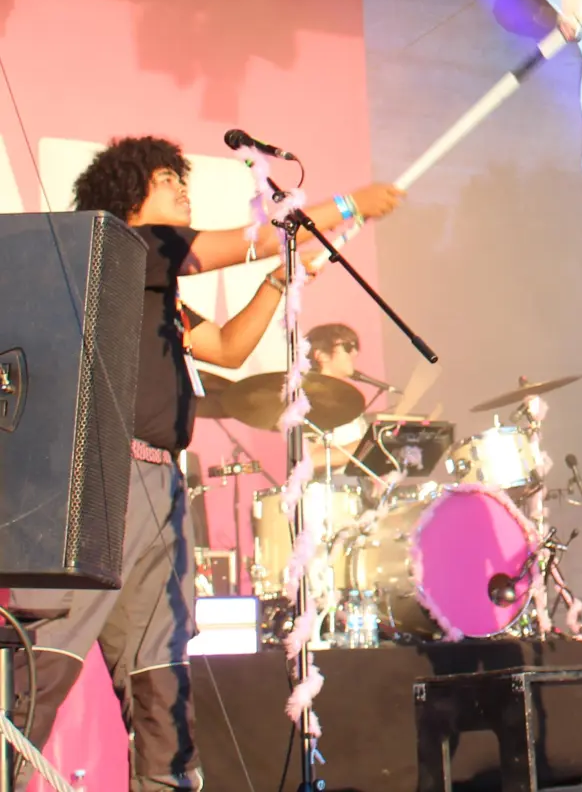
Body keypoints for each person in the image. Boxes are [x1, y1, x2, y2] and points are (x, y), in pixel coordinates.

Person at [8, 135, 401, 790]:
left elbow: (226, 345)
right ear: (126, 200)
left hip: (160, 486)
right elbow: (229, 245)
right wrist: (343, 206)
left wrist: (286, 275)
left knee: (160, 674)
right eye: (168, 180)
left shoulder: (154, 292)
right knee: (43, 666)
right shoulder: (121, 248)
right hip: (99, 487)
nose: (183, 190)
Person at [303, 322, 368, 474]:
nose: (355, 353)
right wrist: (365, 447)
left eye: (356, 347)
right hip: (328, 494)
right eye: (347, 347)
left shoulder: (348, 401)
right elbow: (311, 459)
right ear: (321, 355)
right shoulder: (311, 400)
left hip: (357, 492)